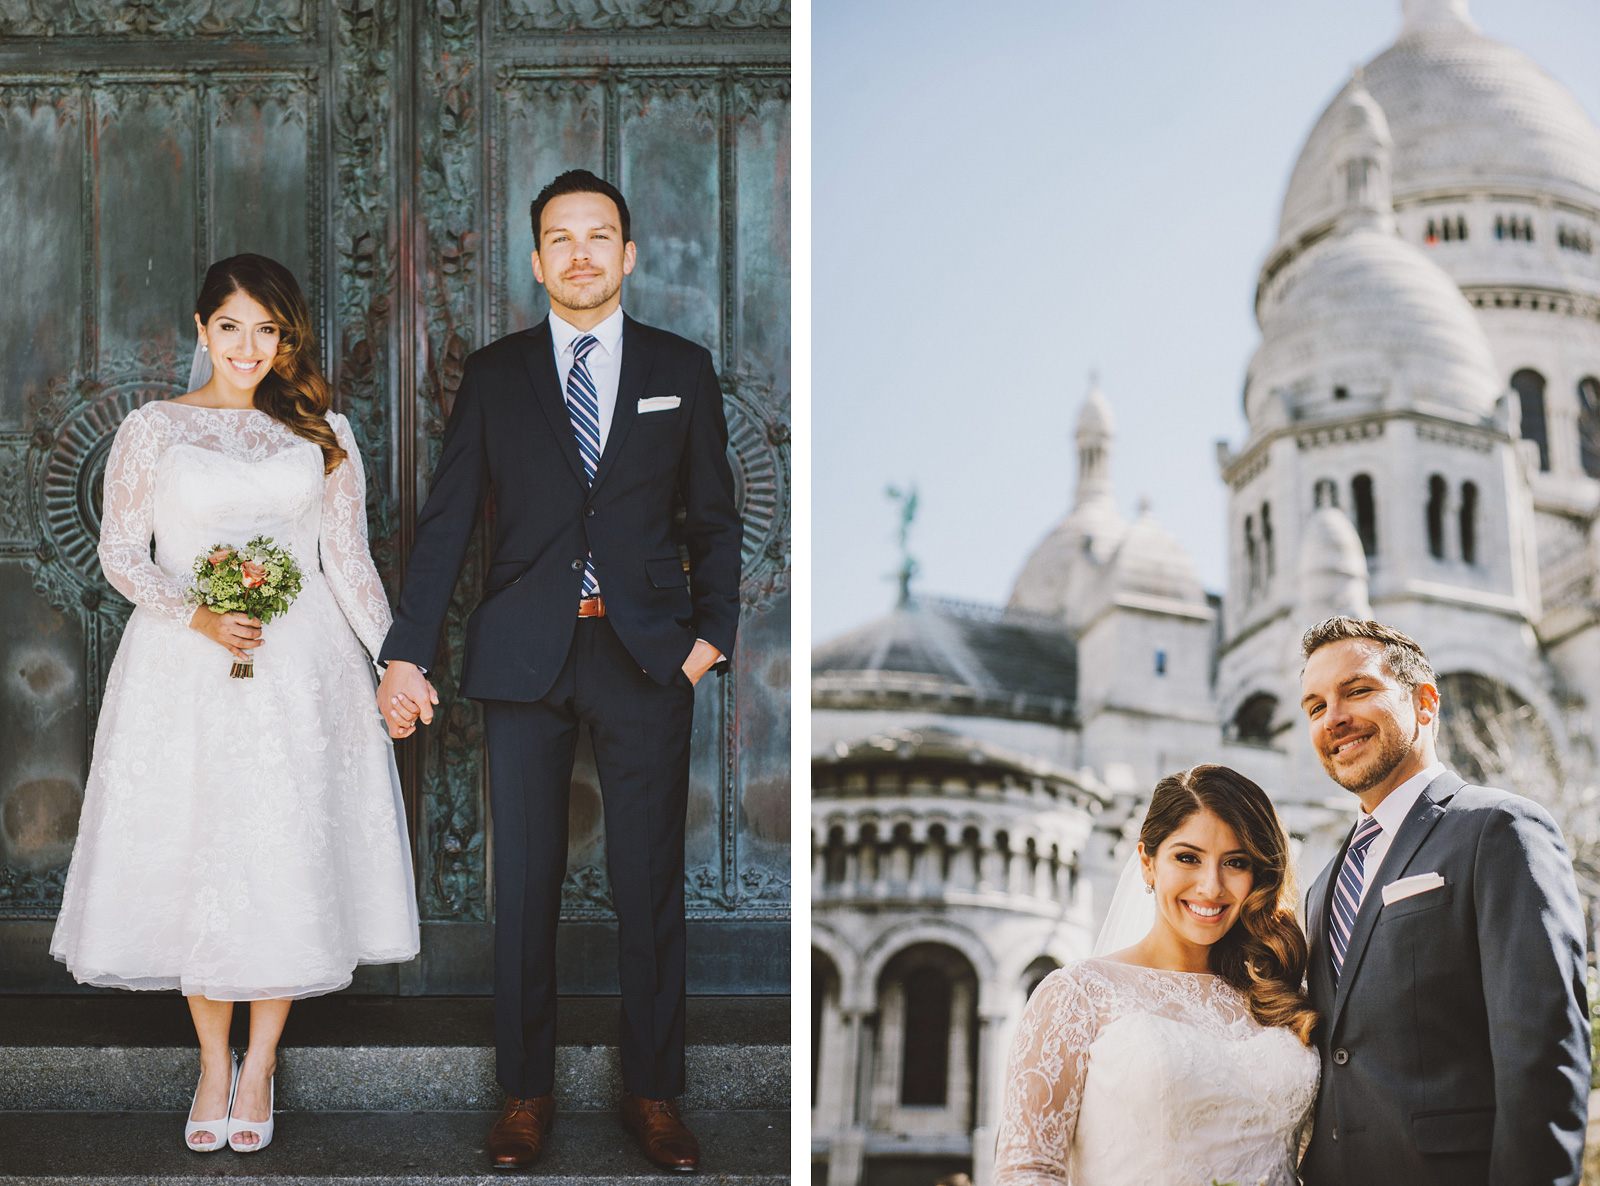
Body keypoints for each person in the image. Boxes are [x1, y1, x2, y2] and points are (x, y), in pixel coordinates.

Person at [374, 169, 742, 1172]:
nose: (580, 252)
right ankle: (525, 1094)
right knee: (526, 886)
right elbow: (448, 522)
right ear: (536, 260)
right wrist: (405, 649)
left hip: (645, 656)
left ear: (627, 254)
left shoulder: (682, 367)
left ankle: (654, 1094)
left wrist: (708, 640)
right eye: (559, 238)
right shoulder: (495, 376)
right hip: (524, 655)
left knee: (648, 882)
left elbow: (715, 519)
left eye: (599, 235)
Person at [49, 254, 421, 1154]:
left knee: (279, 851)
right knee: (201, 850)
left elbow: (349, 562)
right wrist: (200, 613)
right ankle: (213, 1061)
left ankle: (261, 1064)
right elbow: (122, 555)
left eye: (270, 331)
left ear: (287, 338)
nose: (250, 348)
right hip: (186, 665)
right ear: (202, 330)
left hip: (302, 674)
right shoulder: (154, 429)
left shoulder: (322, 431)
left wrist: (394, 657)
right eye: (232, 328)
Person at [1296, 617, 1589, 1186]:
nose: (1333, 718)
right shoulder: (1321, 885)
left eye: (1357, 690)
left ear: (1425, 703)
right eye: (1315, 706)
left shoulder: (1499, 828)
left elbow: (1543, 1049)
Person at [992, 765, 1320, 1186]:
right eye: (1188, 858)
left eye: (1235, 863)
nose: (1210, 887)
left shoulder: (1279, 995)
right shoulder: (1078, 996)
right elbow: (1028, 1171)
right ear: (1148, 863)